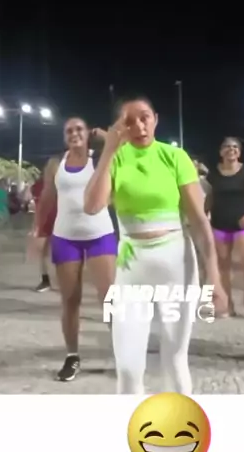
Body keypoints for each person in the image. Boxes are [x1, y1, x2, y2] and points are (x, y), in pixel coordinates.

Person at [84, 96, 227, 394]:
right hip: (132, 266)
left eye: (144, 117)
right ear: (119, 127)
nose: (139, 126)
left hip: (177, 263)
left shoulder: (174, 157)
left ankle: (181, 420)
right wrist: (109, 150)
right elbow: (92, 205)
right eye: (129, 121)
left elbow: (199, 221)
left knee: (174, 359)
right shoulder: (116, 159)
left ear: (156, 119)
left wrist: (214, 278)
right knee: (127, 366)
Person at [34, 116, 117, 381]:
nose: (74, 134)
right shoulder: (55, 164)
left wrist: (102, 134)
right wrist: (37, 229)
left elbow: (121, 143)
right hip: (65, 237)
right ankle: (72, 356)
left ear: (87, 132)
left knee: (109, 298)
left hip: (100, 234)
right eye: (69, 130)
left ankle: (123, 352)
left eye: (79, 129)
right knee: (70, 300)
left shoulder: (99, 159)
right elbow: (47, 196)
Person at [205, 137, 244, 317]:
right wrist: (203, 216)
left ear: (239, 151)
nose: (231, 149)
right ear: (221, 151)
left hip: (242, 223)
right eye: (227, 147)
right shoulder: (213, 174)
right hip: (219, 223)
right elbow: (210, 197)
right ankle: (228, 302)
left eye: (235, 147)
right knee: (224, 265)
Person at [31, 174, 55, 292]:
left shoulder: (64, 181)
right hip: (46, 222)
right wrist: (35, 226)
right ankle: (46, 280)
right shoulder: (38, 186)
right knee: (43, 251)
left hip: (62, 221)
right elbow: (38, 207)